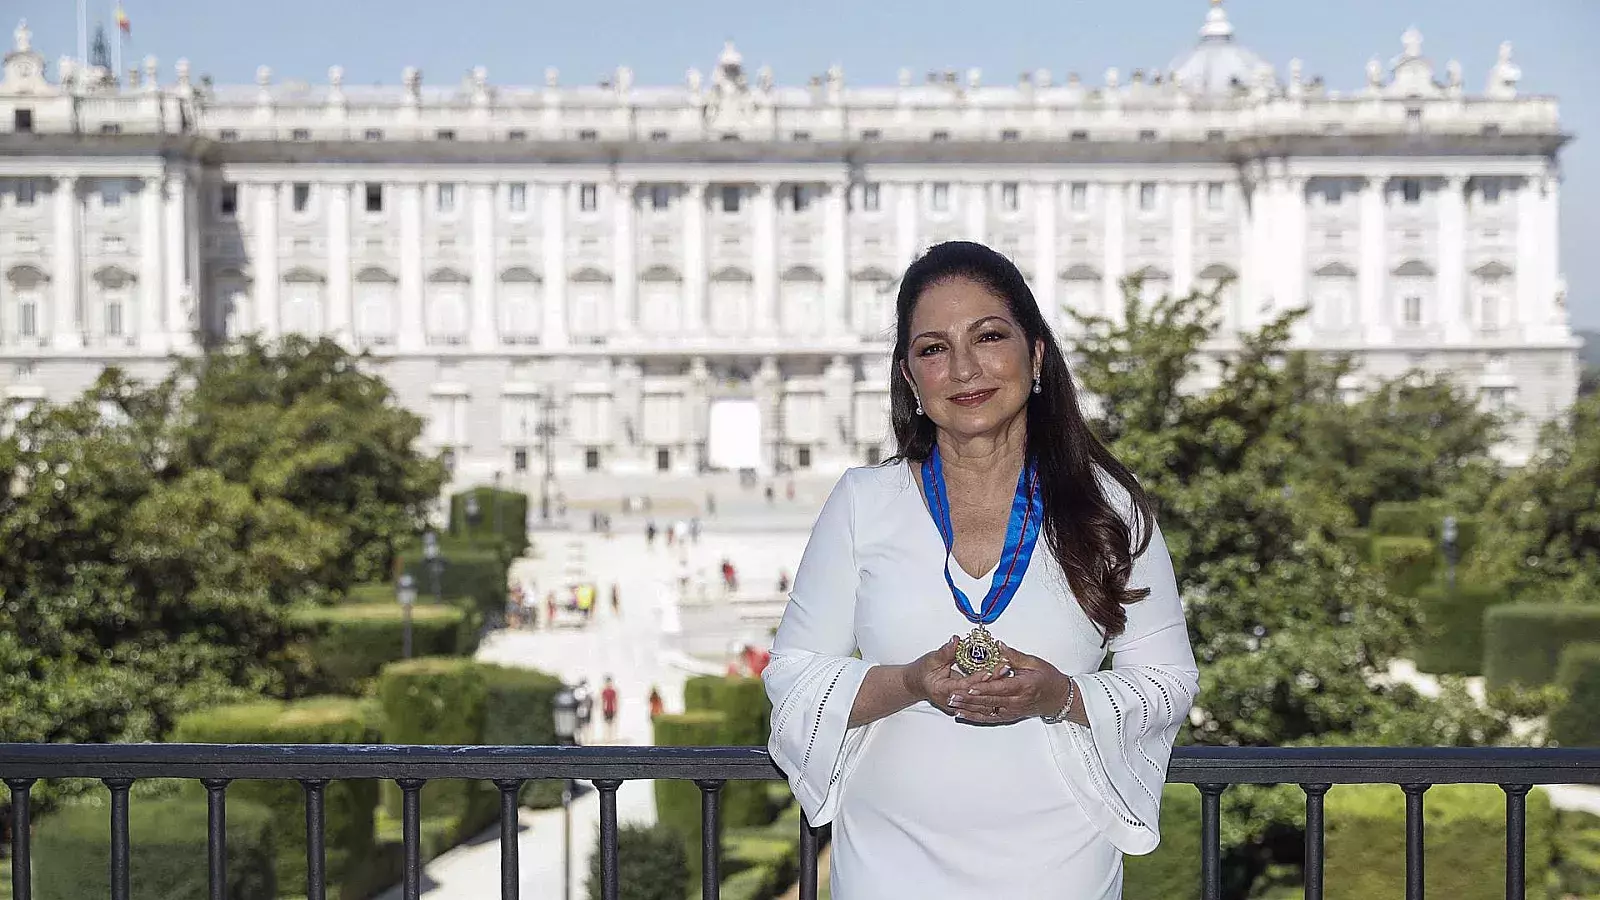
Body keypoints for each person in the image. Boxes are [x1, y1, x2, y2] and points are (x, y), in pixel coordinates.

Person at [762, 242, 1199, 900]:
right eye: (933, 348)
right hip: (889, 869)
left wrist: (1060, 696)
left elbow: (1168, 683)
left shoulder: (1112, 510)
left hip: (1061, 871)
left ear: (1038, 354)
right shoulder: (862, 502)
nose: (964, 368)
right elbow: (793, 678)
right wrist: (908, 681)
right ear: (909, 378)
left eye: (989, 336)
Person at [600, 676, 619, 743]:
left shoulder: (613, 691)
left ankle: (611, 738)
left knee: (611, 724)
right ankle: (606, 738)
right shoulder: (604, 691)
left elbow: (615, 701)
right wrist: (602, 709)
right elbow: (603, 701)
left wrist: (616, 710)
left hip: (611, 709)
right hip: (606, 709)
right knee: (606, 724)